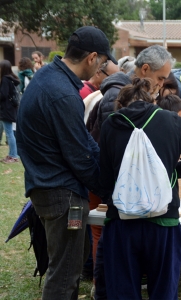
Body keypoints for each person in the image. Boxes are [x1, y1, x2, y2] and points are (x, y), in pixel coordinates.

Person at [16, 26, 117, 299]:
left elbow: (83, 142)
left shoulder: (49, 77)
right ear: (92, 57)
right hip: (62, 195)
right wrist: (112, 191)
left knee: (68, 263)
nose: (101, 68)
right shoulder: (61, 93)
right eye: (103, 63)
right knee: (65, 273)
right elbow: (81, 156)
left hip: (48, 186)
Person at [98, 77, 181, 299]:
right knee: (163, 290)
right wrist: (169, 172)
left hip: (122, 223)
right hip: (164, 221)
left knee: (123, 291)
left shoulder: (111, 124)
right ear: (152, 101)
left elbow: (104, 179)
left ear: (121, 105)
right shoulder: (172, 121)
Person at [0, 60, 20, 163]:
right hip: (12, 109)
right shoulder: (12, 79)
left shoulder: (5, 79)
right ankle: (13, 154)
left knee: (9, 133)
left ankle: (13, 155)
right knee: (11, 132)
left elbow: (3, 95)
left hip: (6, 109)